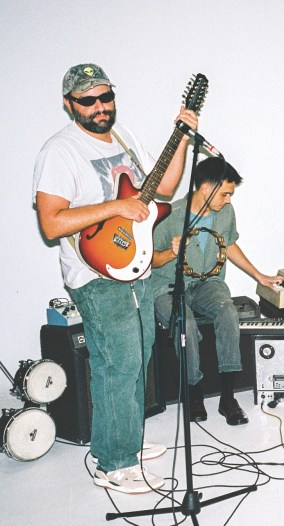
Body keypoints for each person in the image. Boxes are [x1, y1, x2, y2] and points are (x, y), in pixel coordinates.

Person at [33, 63, 198, 493]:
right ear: (70, 104)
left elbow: (165, 187)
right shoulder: (60, 151)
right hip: (95, 275)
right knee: (117, 364)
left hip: (134, 267)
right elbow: (52, 224)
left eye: (106, 97)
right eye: (88, 100)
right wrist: (114, 208)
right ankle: (113, 463)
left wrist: (180, 137)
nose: (100, 106)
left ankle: (123, 440)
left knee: (137, 358)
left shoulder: (124, 140)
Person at [151, 157, 284, 425]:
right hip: (167, 286)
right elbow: (149, 260)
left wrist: (259, 276)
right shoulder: (168, 214)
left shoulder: (225, 213)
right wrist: (170, 253)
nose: (228, 200)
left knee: (228, 312)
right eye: (224, 193)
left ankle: (227, 396)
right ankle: (194, 392)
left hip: (208, 282)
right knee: (184, 322)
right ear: (205, 188)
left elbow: (230, 244)